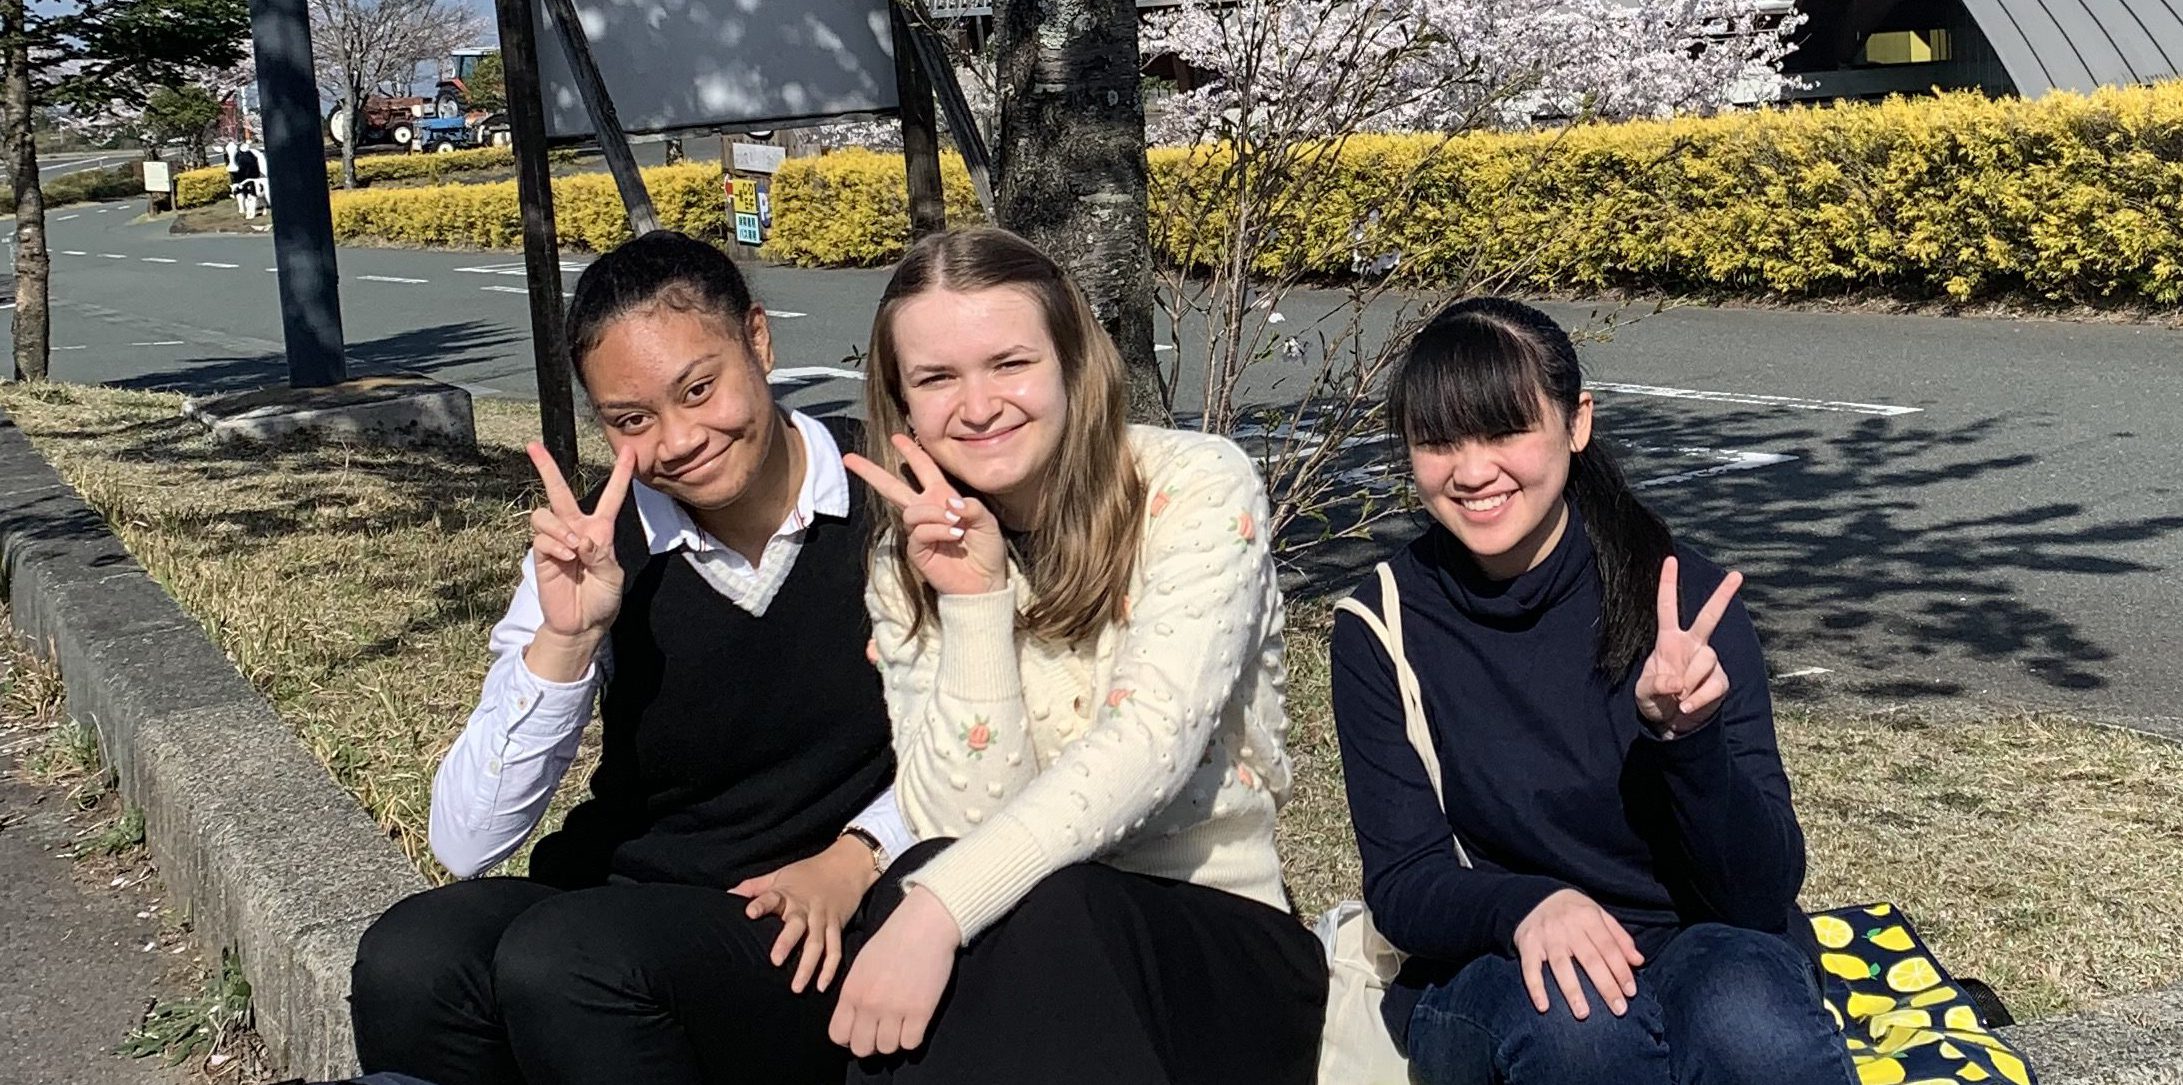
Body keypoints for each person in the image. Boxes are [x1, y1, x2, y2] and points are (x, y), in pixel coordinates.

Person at [347, 230, 914, 1085]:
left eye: (698, 388)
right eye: (631, 420)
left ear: (758, 340)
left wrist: (861, 851)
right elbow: (465, 841)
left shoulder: (893, 499)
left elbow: (999, 727)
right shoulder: (597, 541)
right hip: (630, 893)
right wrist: (569, 636)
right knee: (412, 958)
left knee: (569, 960)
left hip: (812, 901)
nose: (679, 439)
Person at [829, 228, 1326, 1085]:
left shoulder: (1195, 486)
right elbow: (954, 822)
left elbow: (1149, 746)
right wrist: (975, 602)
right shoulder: (905, 559)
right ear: (901, 402)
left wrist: (939, 907)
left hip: (1216, 939)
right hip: (1033, 945)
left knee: (1010, 903)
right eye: (937, 378)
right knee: (953, 886)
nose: (977, 405)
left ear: (1071, 362)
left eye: (1009, 363)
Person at [1331, 296, 1855, 1085]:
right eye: (1437, 441)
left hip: (1698, 942)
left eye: (1504, 431)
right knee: (1581, 1029)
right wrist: (1525, 906)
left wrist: (1688, 742)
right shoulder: (1382, 623)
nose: (1471, 471)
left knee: (1751, 1025)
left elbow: (1758, 894)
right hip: (1491, 969)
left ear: (1576, 423)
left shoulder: (1683, 602)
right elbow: (1404, 883)